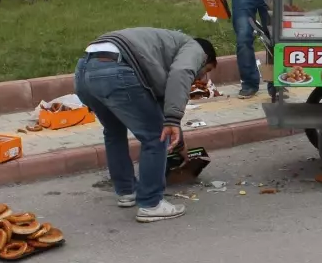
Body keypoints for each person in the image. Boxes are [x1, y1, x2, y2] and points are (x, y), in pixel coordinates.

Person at [74, 28, 217, 223]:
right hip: (116, 71)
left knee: (114, 132)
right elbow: (181, 72)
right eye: (206, 70)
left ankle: (127, 192)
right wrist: (173, 121)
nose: (201, 79)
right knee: (155, 136)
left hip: (85, 70)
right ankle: (150, 203)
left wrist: (179, 142)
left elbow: (160, 107)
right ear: (205, 57)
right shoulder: (193, 48)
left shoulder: (159, 52)